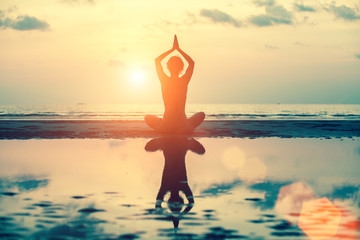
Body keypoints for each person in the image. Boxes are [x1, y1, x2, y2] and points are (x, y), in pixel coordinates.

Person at [145, 35, 205, 134]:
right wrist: (178, 50)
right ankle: (187, 126)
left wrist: (172, 50)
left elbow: (157, 61)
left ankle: (160, 126)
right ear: (181, 68)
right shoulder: (184, 80)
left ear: (168, 67)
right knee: (201, 115)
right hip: (182, 125)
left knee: (147, 118)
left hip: (167, 124)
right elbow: (191, 63)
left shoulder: (164, 80)